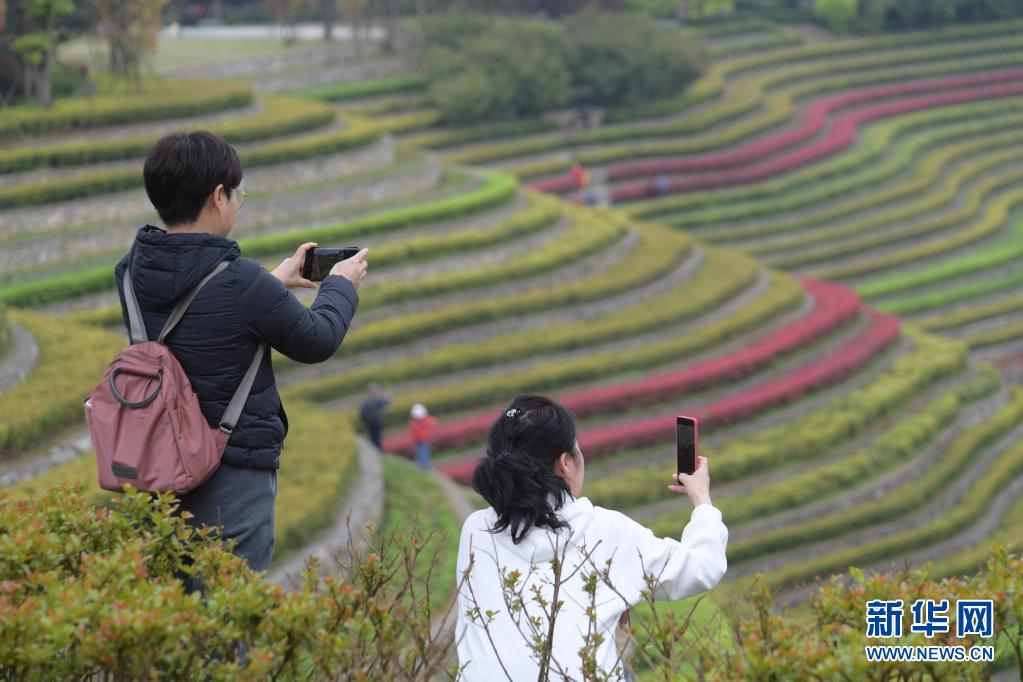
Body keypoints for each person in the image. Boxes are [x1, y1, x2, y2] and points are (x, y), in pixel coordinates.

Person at [114, 130, 369, 577]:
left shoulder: (133, 270)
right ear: (218, 197)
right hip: (230, 474)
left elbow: (197, 317)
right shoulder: (241, 282)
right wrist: (341, 286)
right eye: (238, 195)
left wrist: (270, 283)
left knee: (178, 607)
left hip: (158, 465)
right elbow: (317, 339)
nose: (237, 203)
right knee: (230, 617)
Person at [456, 394, 727, 681]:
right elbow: (702, 567)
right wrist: (701, 498)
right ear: (565, 464)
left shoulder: (476, 530)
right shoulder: (603, 531)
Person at [359, 383, 392, 450]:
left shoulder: (367, 399)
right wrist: (387, 396)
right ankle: (378, 452)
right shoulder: (375, 399)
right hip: (376, 423)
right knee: (377, 439)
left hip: (369, 423)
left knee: (373, 438)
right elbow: (385, 401)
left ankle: (375, 451)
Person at [409, 403, 437, 470]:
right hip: (422, 440)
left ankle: (420, 465)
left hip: (417, 440)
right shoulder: (422, 422)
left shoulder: (413, 422)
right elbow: (432, 423)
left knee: (419, 453)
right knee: (423, 453)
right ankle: (424, 466)